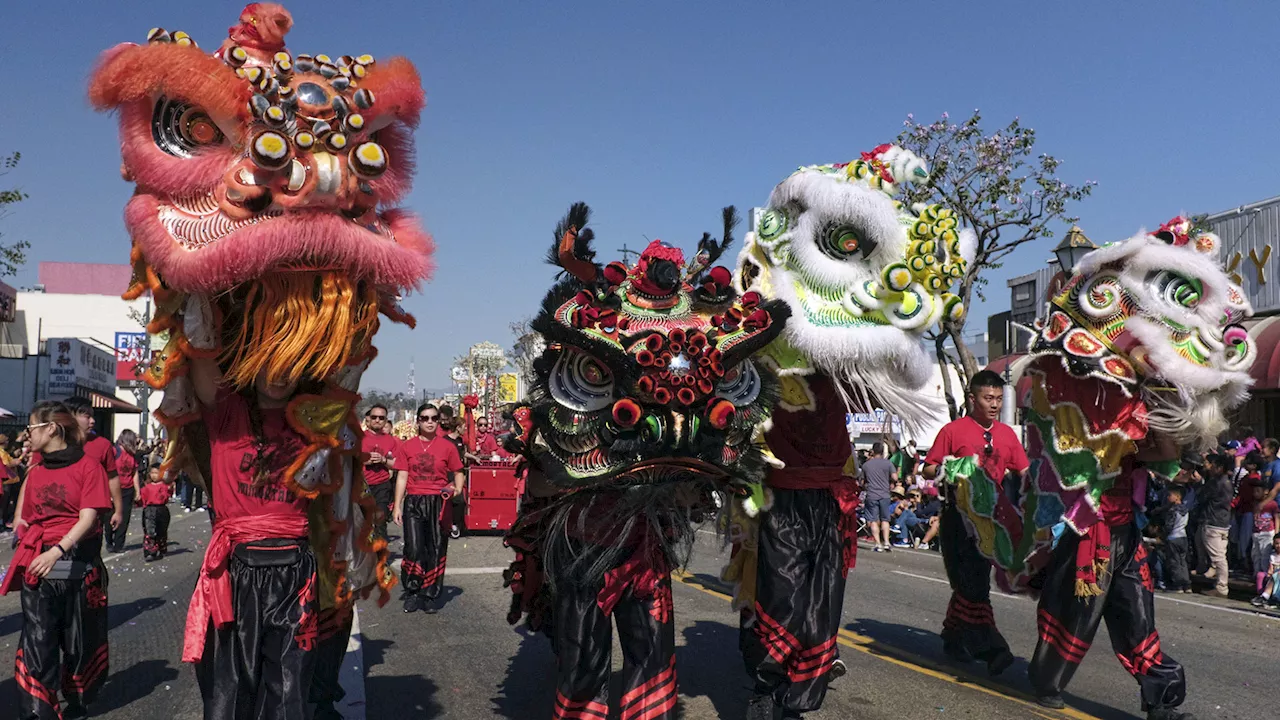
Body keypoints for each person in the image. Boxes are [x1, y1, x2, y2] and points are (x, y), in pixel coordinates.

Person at [185, 357, 319, 720]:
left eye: (291, 364)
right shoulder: (227, 410)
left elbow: (350, 362)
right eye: (271, 362)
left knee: (289, 685)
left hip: (294, 573)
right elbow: (200, 346)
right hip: (234, 568)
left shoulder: (316, 418)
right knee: (229, 687)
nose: (280, 372)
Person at [1, 400, 112, 719]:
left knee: (79, 642)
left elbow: (88, 517)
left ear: (51, 428)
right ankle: (39, 710)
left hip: (78, 563)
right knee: (38, 640)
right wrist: (21, 524)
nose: (26, 435)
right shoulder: (35, 470)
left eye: (31, 428)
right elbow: (24, 508)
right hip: (40, 567)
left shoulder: (89, 466)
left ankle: (78, 695)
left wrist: (57, 550)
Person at [921, 370, 1025, 676]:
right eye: (987, 398)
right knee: (970, 584)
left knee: (972, 583)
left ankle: (953, 638)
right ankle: (992, 649)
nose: (994, 404)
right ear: (972, 399)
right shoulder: (953, 430)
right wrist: (947, 469)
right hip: (958, 517)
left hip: (991, 521)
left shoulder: (1007, 435)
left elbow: (1024, 472)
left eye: (998, 399)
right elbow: (928, 468)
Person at [394, 403, 464, 614]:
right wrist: (397, 505)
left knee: (435, 547)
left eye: (434, 418)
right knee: (414, 547)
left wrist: (457, 489)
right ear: (418, 421)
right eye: (425, 418)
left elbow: (458, 471)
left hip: (438, 502)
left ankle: (429, 593)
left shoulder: (448, 446)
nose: (430, 422)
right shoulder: (407, 447)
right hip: (414, 501)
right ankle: (413, 591)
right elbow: (402, 477)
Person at [1193, 452, 1233, 597]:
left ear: (1219, 467)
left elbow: (1202, 496)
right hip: (1223, 522)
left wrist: (1199, 483)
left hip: (1213, 522)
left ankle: (1222, 587)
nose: (1210, 468)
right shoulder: (1227, 481)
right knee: (1221, 556)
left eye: (1213, 466)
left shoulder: (1216, 483)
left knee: (1218, 557)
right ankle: (1219, 582)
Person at [361, 404, 400, 543]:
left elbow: (396, 464)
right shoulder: (358, 437)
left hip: (382, 485)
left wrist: (383, 460)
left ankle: (381, 559)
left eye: (381, 418)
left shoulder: (391, 440)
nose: (377, 420)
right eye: (374, 417)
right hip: (361, 485)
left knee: (380, 522)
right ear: (368, 419)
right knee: (361, 523)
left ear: (385, 421)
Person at [861, 442, 898, 552]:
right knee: (885, 519)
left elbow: (862, 482)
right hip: (885, 495)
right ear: (882, 452)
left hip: (872, 494)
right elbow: (895, 477)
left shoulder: (866, 465)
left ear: (872, 451)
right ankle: (886, 542)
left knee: (873, 520)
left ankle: (878, 544)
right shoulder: (888, 464)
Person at [107, 429, 140, 553]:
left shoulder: (132, 455)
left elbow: (134, 473)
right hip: (114, 488)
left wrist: (137, 491)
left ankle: (119, 544)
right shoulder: (115, 451)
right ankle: (109, 540)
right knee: (110, 516)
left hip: (127, 489)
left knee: (124, 517)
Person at [1245, 480, 1278, 597]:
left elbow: (1276, 517)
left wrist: (1276, 533)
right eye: (1254, 491)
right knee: (1256, 553)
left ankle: (1264, 575)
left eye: (1258, 491)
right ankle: (1257, 573)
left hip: (1268, 532)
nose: (1255, 493)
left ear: (1266, 492)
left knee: (1265, 554)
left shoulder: (1272, 504)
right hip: (1256, 532)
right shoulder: (1254, 504)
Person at [1157, 483, 1192, 594]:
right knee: (1183, 561)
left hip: (1173, 537)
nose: (1168, 497)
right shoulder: (1185, 509)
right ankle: (1187, 584)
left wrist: (1163, 536)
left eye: (1170, 495)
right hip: (1183, 536)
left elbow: (1169, 526)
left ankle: (1178, 585)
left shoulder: (1173, 510)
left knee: (1174, 561)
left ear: (1177, 497)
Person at [137, 466, 172, 561]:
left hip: (161, 509)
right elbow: (142, 499)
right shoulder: (146, 487)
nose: (154, 475)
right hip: (149, 509)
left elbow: (166, 496)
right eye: (152, 473)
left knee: (162, 531)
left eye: (156, 473)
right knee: (150, 531)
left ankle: (162, 548)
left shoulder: (164, 486)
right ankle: (150, 551)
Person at [0, 433, 25, 531]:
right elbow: (7, 464)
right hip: (7, 481)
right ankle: (2, 521)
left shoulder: (3, 452)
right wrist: (19, 459)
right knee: (3, 503)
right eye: (6, 441)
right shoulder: (2, 452)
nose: (8, 443)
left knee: (5, 503)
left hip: (9, 481)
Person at [1251, 534, 1280, 607]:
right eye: (1277, 543)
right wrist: (1269, 574)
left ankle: (1270, 597)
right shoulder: (1273, 556)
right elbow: (1270, 569)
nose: (1279, 545)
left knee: (1277, 575)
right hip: (1274, 574)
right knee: (1261, 575)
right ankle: (1261, 595)